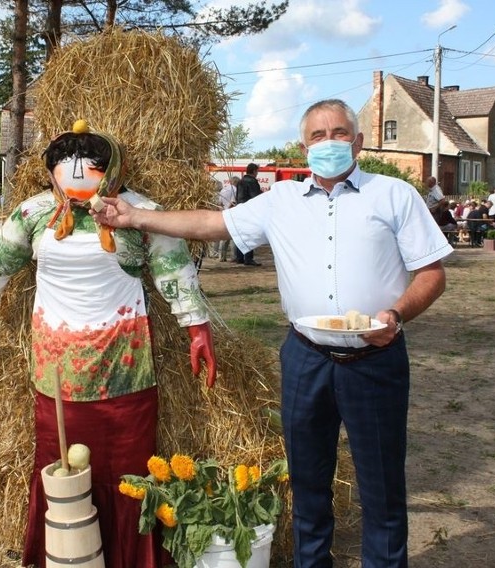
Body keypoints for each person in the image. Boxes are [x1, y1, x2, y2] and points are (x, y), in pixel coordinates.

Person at [91, 99, 452, 567]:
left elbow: (432, 274)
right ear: (304, 149)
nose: (329, 143)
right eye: (318, 136)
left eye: (339, 133)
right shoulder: (280, 202)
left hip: (376, 359)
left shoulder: (394, 195)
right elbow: (209, 222)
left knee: (382, 487)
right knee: (307, 483)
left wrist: (396, 316)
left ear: (358, 142)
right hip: (305, 358)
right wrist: (134, 217)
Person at [0, 121, 215, 568]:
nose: (75, 174)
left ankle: (131, 557)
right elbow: (0, 257)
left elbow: (173, 268)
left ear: (112, 169)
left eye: (90, 168)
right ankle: (60, 554)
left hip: (125, 365)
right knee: (61, 465)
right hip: (58, 370)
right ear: (50, 170)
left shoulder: (138, 212)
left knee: (128, 466)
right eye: (64, 166)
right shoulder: (34, 213)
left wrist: (196, 325)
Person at [233, 163, 262, 266]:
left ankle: (239, 257)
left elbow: (237, 196)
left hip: (240, 208)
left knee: (240, 233)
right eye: (257, 171)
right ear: (254, 171)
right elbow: (255, 197)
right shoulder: (252, 181)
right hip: (250, 210)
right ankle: (248, 258)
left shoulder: (240, 181)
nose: (257, 173)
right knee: (250, 234)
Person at [216, 176, 238, 261]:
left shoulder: (223, 189)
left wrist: (223, 211)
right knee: (233, 237)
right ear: (236, 182)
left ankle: (221, 256)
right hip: (231, 214)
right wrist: (228, 210)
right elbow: (233, 202)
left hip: (223, 214)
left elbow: (219, 203)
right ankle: (233, 257)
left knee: (223, 237)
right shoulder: (234, 189)